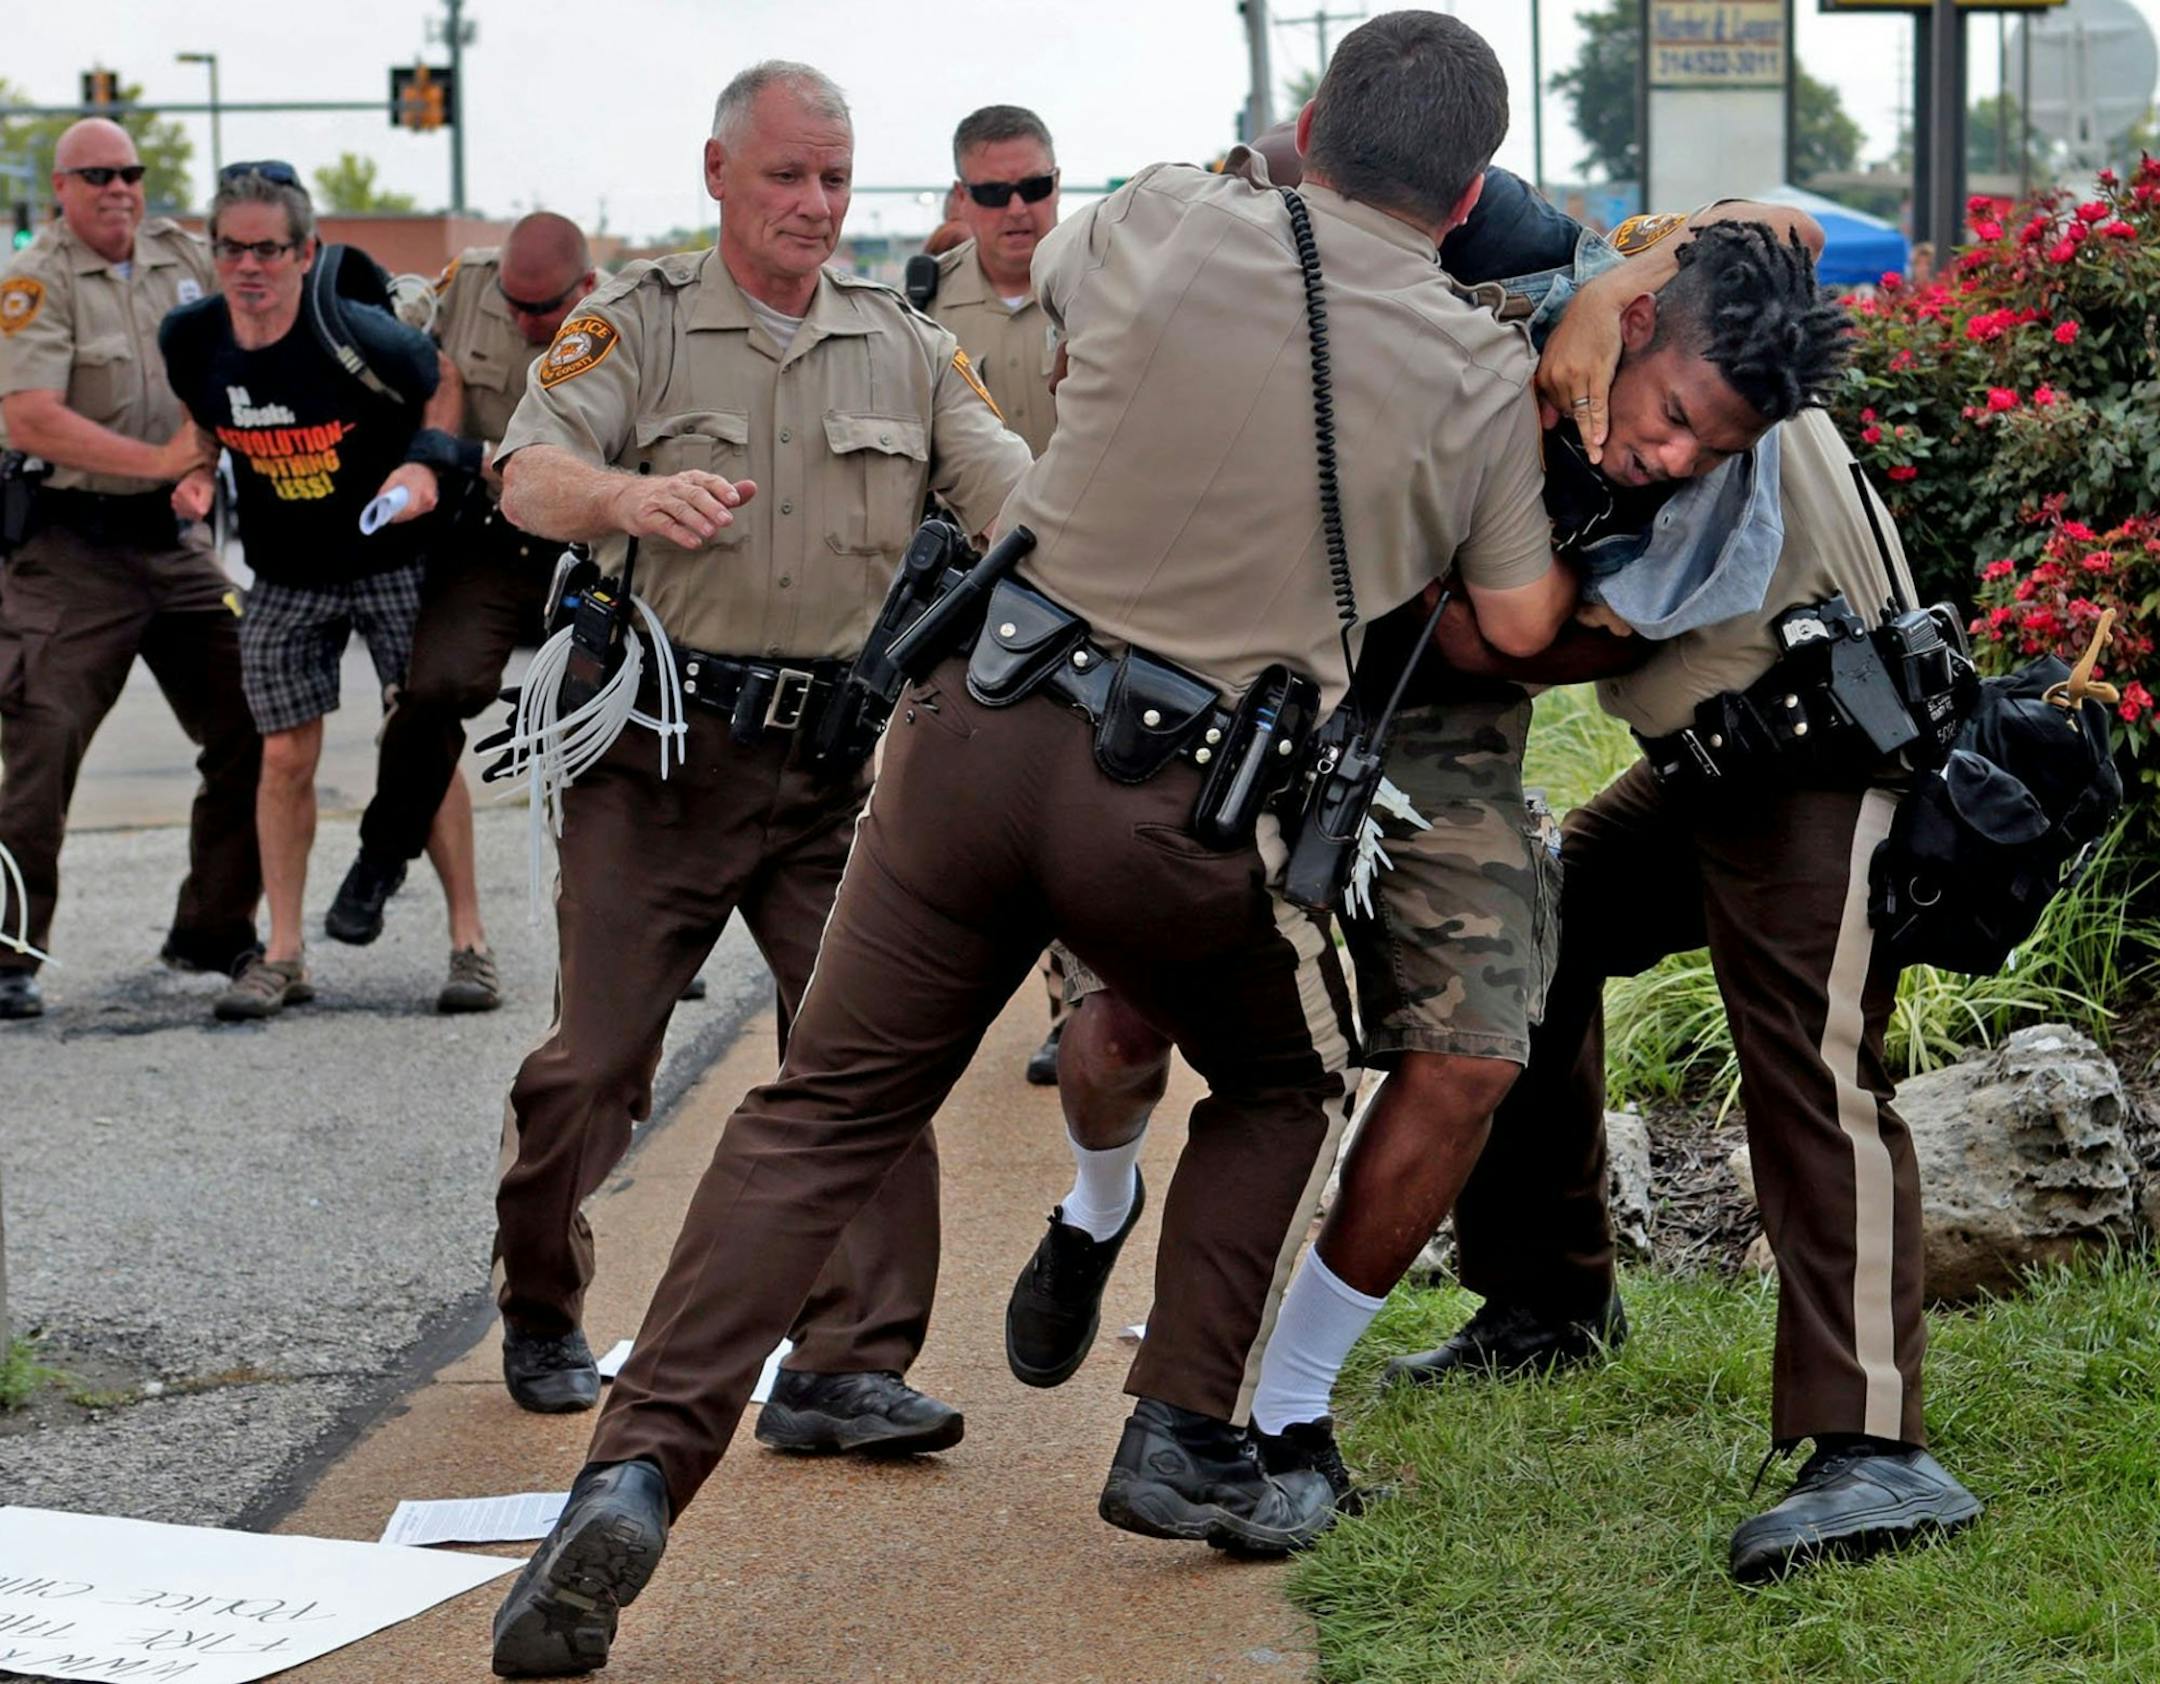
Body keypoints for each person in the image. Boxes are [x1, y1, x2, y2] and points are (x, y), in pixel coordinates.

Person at [491, 17, 1570, 1676]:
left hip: (970, 738)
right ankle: (1185, 1430)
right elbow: (1511, 614)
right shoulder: (1478, 365)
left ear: (1307, 123)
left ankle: (632, 1467)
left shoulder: (1153, 217)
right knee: (1285, 1080)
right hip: (1188, 799)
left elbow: (1067, 288)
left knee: (822, 1110)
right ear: (1475, 185)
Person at [1375, 207, 1985, 1584]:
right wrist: (1615, 294)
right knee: (1551, 931)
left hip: (1825, 772)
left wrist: (1405, 584)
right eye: (1671, 422)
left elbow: (1526, 648)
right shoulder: (1663, 307)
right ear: (1638, 324)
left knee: (1814, 1072)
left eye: (1706, 443)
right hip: (1718, 761)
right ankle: (1549, 1299)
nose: (1672, 455)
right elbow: (1740, 226)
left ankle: (1879, 1451)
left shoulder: (1728, 407)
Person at [476, 64, 1030, 1444]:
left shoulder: (901, 342)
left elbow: (1016, 490)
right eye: (786, 176)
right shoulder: (639, 326)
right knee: (593, 1066)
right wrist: (630, 496)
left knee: (867, 1059)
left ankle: (847, 1360)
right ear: (720, 173)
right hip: (659, 759)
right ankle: (543, 1297)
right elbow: (527, 475)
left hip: (836, 774)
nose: (814, 204)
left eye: (834, 178)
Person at [158, 162, 462, 1021]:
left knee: (420, 743)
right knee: (284, 757)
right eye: (231, 248)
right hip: (285, 574)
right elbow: (205, 417)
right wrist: (199, 474)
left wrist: (425, 460)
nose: (248, 266)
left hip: (389, 559)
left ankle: (468, 944)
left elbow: (440, 378)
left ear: (305, 252)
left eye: (268, 248)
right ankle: (284, 954)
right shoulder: (190, 336)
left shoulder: (357, 335)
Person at [0, 118, 261, 1019]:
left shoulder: (179, 258)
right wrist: (157, 463)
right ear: (64, 189)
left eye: (131, 172)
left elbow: (223, 371)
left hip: (171, 545)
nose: (119, 187)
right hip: (69, 549)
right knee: (42, 739)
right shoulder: (34, 280)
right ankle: (8, 951)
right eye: (99, 174)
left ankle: (214, 929)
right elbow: (30, 418)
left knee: (256, 716)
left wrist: (197, 467)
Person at [315, 214, 601, 1013]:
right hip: (485, 542)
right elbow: (399, 363)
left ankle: (625, 942)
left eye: (541, 309)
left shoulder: (631, 318)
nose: (520, 320)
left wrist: (472, 457)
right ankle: (381, 856)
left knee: (603, 745)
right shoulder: (466, 284)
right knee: (433, 691)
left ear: (583, 289)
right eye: (512, 301)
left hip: (583, 547)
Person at [919, 103, 1070, 1082]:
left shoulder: (1104, 284)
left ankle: (1073, 998)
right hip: (967, 588)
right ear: (960, 198)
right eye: (993, 193)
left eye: (1036, 187)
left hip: (1085, 583)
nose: (1018, 211)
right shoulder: (925, 303)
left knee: (1069, 794)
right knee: (957, 800)